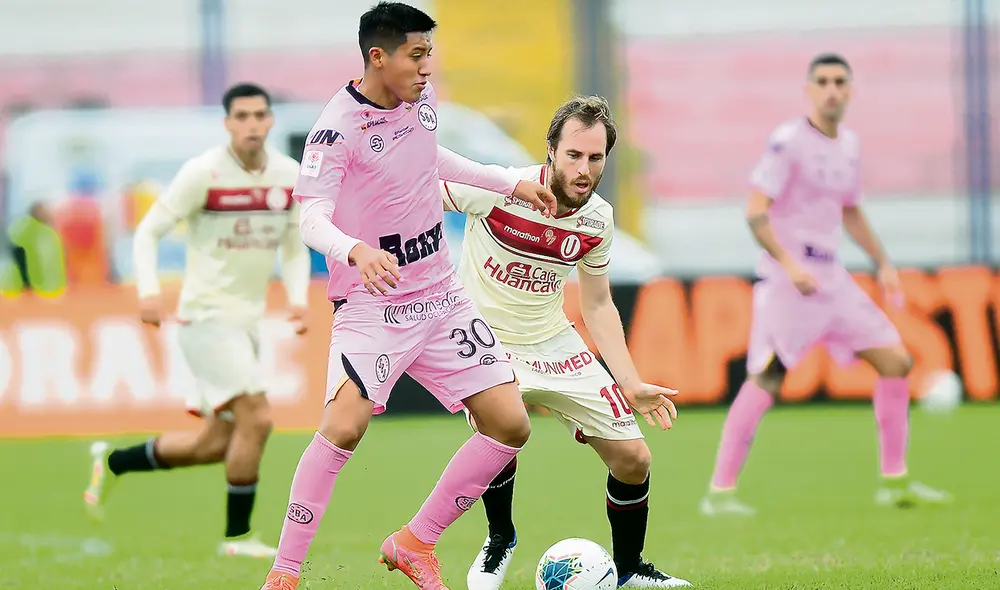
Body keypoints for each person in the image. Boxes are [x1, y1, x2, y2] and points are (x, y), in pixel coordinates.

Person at [260, 4, 557, 590]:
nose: (427, 69)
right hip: (375, 306)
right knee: (343, 427)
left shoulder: (420, 102)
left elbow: (429, 158)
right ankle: (285, 572)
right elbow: (311, 217)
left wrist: (509, 180)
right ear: (378, 56)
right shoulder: (334, 130)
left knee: (509, 423)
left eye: (429, 55)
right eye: (416, 56)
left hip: (441, 298)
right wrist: (355, 251)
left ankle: (416, 542)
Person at [442, 96, 691, 589]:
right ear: (550, 151)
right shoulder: (498, 189)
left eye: (595, 158)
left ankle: (630, 570)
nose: (584, 169)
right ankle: (499, 540)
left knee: (634, 458)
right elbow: (413, 192)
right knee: (502, 423)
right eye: (574, 155)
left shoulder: (597, 219)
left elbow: (598, 304)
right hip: (486, 340)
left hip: (553, 341)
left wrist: (631, 381)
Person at [699, 53, 952, 517]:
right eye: (823, 81)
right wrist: (789, 264)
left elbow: (850, 209)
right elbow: (755, 211)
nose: (832, 89)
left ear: (851, 90)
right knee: (768, 379)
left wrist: (881, 261)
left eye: (840, 81)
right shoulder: (788, 142)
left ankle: (894, 482)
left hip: (833, 279)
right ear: (809, 90)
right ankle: (720, 491)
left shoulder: (850, 144)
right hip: (789, 283)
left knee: (896, 360)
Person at [84, 83, 310, 558]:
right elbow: (147, 233)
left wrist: (296, 299)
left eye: (259, 116)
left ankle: (114, 460)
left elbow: (292, 246)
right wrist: (147, 293)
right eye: (242, 116)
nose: (251, 124)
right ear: (227, 123)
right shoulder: (202, 174)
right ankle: (238, 538)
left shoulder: (290, 176)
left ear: (270, 122)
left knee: (214, 444)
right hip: (206, 317)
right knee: (258, 419)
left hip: (247, 322)